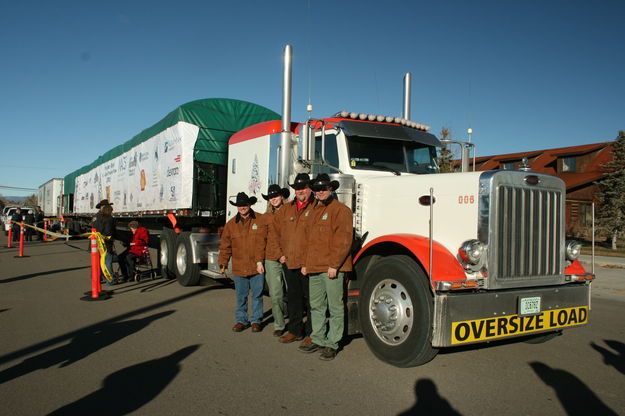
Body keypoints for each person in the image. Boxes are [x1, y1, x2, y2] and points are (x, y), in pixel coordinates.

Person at [299, 173, 353, 361]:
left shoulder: (341, 210)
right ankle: (318, 338)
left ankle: (332, 343)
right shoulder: (312, 211)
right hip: (314, 266)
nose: (320, 191)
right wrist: (305, 263)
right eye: (317, 189)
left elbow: (344, 241)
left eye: (324, 188)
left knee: (335, 307)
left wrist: (334, 265)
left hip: (331, 268)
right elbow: (308, 241)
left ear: (331, 189)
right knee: (316, 306)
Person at [273, 173, 316, 346]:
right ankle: (295, 330)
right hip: (289, 261)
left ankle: (312, 333)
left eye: (303, 187)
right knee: (293, 298)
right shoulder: (286, 209)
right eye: (297, 188)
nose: (300, 191)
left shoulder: (316, 208)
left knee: (312, 300)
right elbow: (274, 233)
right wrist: (280, 255)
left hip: (308, 264)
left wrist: (311, 261)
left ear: (310, 188)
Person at [218, 192, 267, 333]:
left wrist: (260, 261)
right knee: (241, 295)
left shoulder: (260, 219)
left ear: (249, 205)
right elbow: (225, 245)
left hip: (257, 265)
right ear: (237, 207)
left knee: (257, 295)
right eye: (240, 205)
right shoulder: (230, 225)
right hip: (239, 266)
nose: (242, 207)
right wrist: (223, 263)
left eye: (245, 205)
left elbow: (264, 242)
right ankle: (241, 320)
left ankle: (256, 320)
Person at [262, 184, 290, 337]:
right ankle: (279, 324)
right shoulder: (265, 217)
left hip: (289, 257)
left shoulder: (290, 212)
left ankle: (294, 322)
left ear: (282, 196)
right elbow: (264, 239)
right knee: (276, 293)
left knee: (292, 292)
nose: (273, 199)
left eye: (276, 196)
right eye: (270, 197)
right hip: (272, 258)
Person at [93, 200, 116, 285]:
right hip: (105, 243)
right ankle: (110, 280)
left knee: (97, 262)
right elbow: (109, 231)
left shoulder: (96, 217)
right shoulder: (109, 219)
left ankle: (97, 279)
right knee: (107, 262)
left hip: (95, 243)